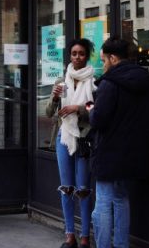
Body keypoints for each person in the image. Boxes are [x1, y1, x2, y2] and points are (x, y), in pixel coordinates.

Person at [89, 37, 149, 248]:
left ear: (114, 58)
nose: (103, 64)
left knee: (103, 203)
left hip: (109, 152)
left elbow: (99, 119)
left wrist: (91, 110)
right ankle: (121, 245)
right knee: (120, 199)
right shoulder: (145, 80)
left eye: (104, 60)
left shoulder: (110, 83)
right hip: (133, 151)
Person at [46, 39, 96, 248]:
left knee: (83, 188)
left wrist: (78, 108)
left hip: (83, 138)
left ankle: (85, 236)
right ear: (70, 56)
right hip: (63, 137)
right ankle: (69, 234)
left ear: (87, 56)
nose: (77, 57)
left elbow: (96, 111)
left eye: (81, 53)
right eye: (74, 53)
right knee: (66, 187)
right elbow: (49, 113)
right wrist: (56, 99)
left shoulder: (94, 82)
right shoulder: (61, 80)